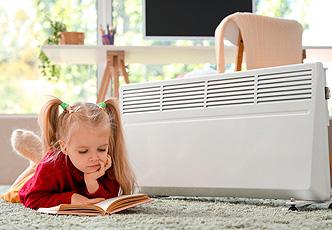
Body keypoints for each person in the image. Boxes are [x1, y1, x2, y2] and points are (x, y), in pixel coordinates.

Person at [0, 97, 135, 209]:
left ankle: (38, 160)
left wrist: (92, 183)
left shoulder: (106, 162)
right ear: (64, 147)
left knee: (44, 162)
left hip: (54, 170)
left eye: (101, 149)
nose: (94, 157)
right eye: (83, 151)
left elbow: (108, 200)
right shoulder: (52, 167)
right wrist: (70, 198)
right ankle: (36, 163)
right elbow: (30, 198)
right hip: (35, 182)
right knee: (12, 193)